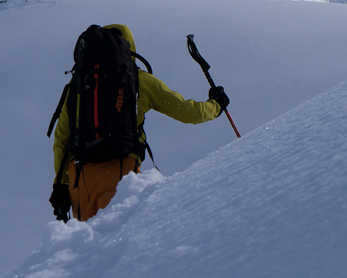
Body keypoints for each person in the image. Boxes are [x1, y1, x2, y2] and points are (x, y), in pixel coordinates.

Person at [48, 23, 229, 221]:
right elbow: (187, 112)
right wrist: (216, 105)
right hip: (121, 176)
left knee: (88, 247)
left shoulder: (78, 85)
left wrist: (61, 185)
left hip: (80, 180)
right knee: (119, 243)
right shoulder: (138, 80)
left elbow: (61, 138)